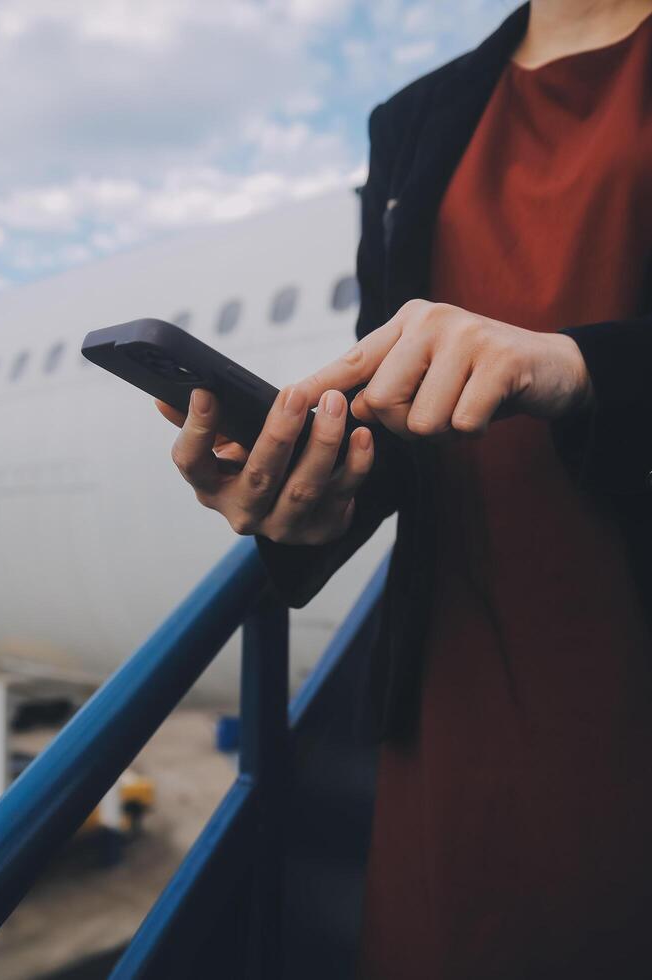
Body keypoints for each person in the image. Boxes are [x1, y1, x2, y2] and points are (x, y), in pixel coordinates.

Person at [156, 0, 652, 975]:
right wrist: (306, 494)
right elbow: (396, 410)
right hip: (464, 684)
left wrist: (577, 367)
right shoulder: (415, 116)